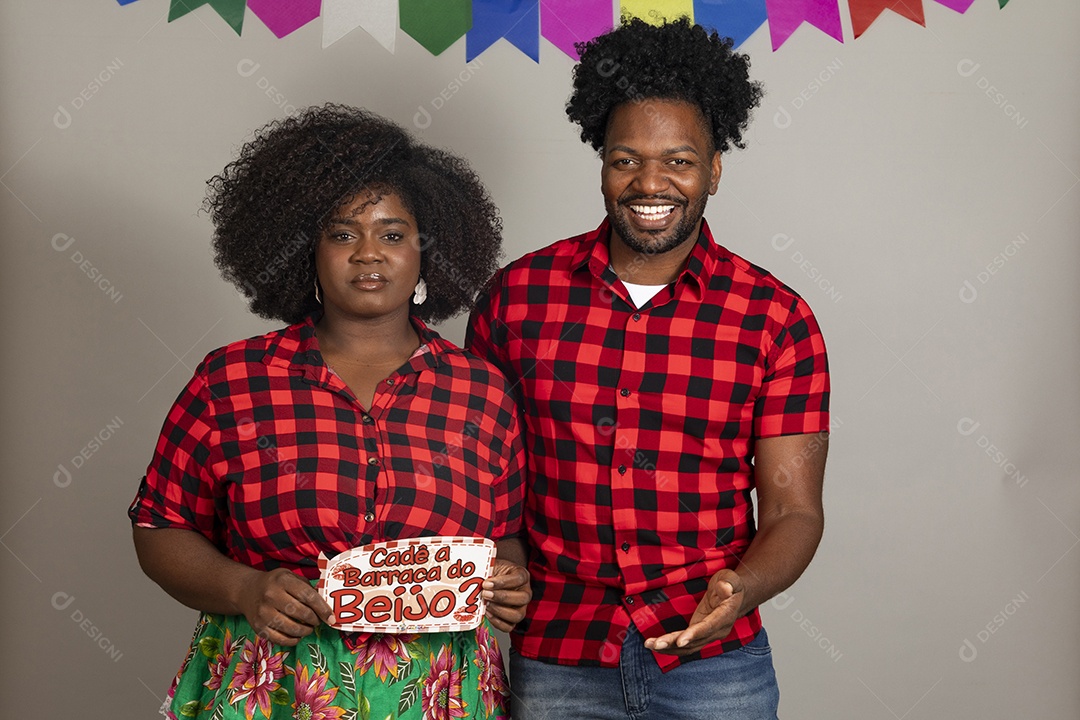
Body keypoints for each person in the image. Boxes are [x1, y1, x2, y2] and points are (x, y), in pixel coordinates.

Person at [467, 18, 830, 720]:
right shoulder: (516, 300)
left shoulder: (775, 318)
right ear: (601, 164)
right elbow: (487, 484)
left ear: (714, 170)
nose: (650, 182)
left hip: (714, 666)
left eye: (679, 161)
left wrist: (743, 589)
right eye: (625, 159)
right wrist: (504, 566)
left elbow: (795, 512)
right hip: (558, 654)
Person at [129, 104, 529, 720]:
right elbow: (160, 525)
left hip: (439, 692)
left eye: (392, 235)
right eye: (343, 234)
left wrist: (507, 581)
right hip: (272, 686)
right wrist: (244, 587)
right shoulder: (231, 380)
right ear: (305, 252)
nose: (369, 254)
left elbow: (505, 538)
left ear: (427, 251)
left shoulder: (482, 391)